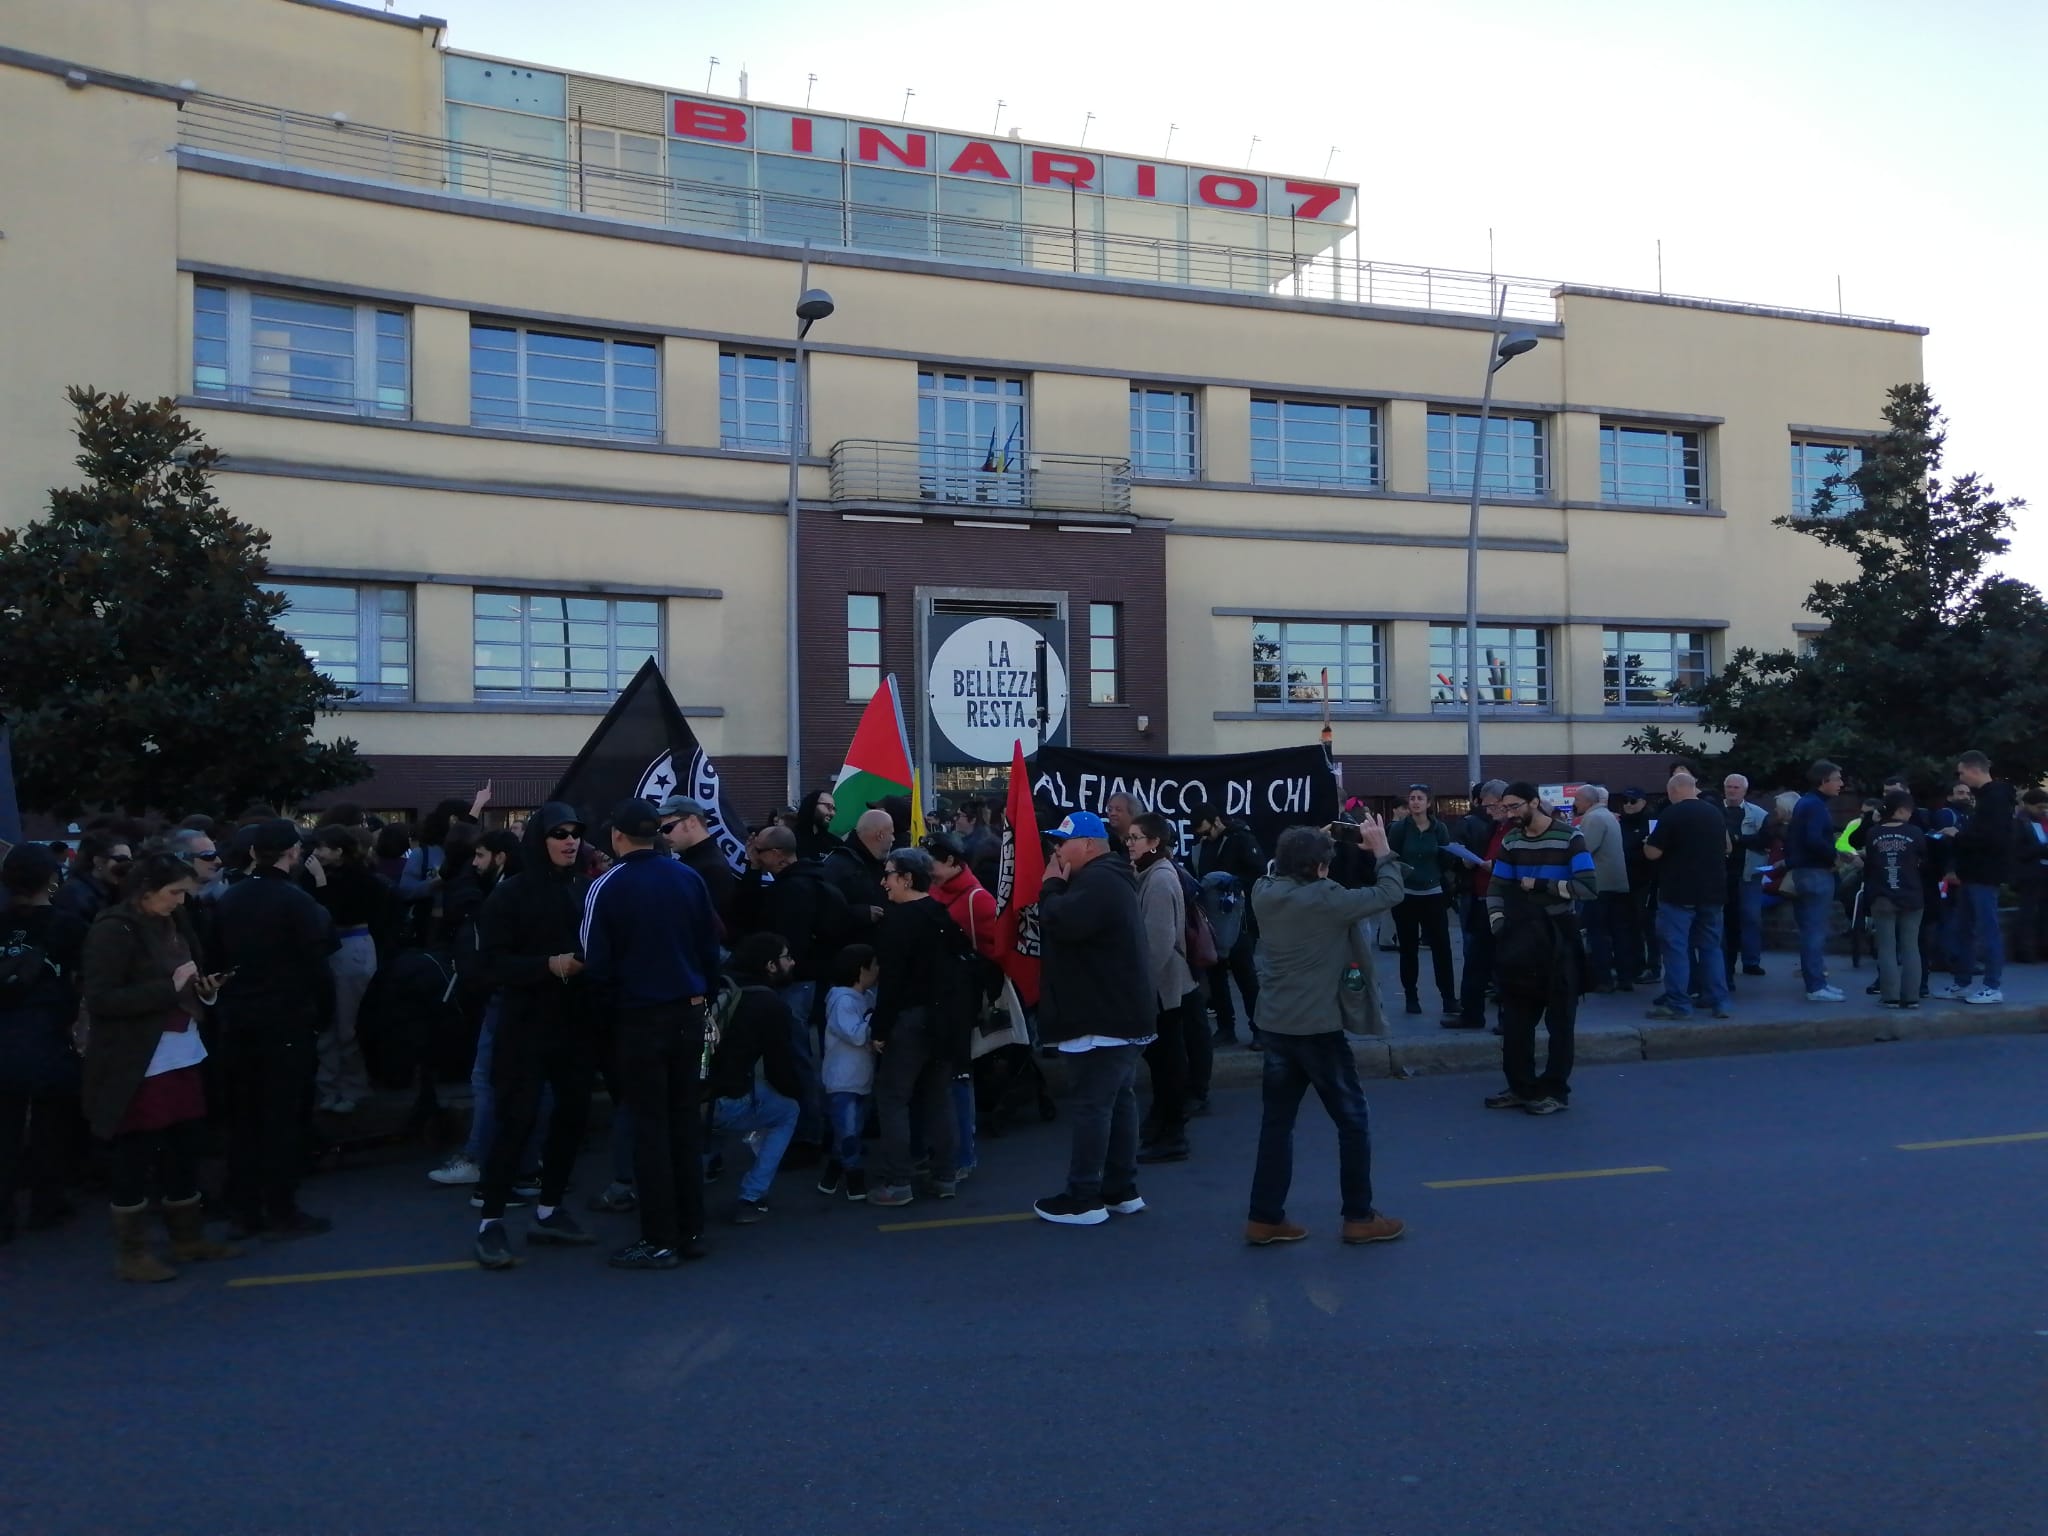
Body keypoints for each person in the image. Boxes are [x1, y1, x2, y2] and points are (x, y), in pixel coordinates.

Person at [1242, 818, 1407, 1247]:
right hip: (1318, 1028)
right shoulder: (1325, 898)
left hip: (1276, 1023)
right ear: (1319, 867)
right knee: (1353, 1122)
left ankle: (1264, 1217)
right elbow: (1390, 893)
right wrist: (1383, 850)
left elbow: (1276, 865)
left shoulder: (1263, 892)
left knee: (1276, 1125)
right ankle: (1359, 1215)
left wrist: (1309, 842)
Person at [81, 852, 243, 1282]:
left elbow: (186, 979)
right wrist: (168, 989)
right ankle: (132, 1254)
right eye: (174, 893)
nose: (180, 901)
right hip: (138, 1061)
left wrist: (204, 991)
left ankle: (187, 1239)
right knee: (135, 1155)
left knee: (182, 1147)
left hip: (180, 1051)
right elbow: (101, 999)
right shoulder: (114, 930)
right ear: (146, 890)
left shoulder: (173, 922)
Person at [580, 799, 724, 1270]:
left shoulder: (607, 885)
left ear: (618, 837)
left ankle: (660, 1238)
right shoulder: (688, 878)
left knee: (649, 1129)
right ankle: (693, 1230)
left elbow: (595, 964)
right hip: (689, 1013)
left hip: (639, 1018)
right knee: (684, 1123)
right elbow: (710, 947)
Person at [469, 803, 598, 1270]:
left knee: (571, 1119)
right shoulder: (510, 896)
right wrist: (547, 966)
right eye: (559, 833)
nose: (570, 841)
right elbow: (488, 966)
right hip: (524, 1025)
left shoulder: (586, 891)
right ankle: (492, 1220)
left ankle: (549, 1209)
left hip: (576, 1025)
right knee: (515, 1122)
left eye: (575, 833)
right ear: (539, 840)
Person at [212, 820, 338, 1240]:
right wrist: (323, 1013)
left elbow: (216, 960)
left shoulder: (229, 899)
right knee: (283, 1118)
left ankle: (244, 1207)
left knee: (245, 1118)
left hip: (238, 1020)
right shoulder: (297, 903)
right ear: (291, 854)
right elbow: (318, 965)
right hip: (285, 1021)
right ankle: (281, 1206)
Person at [1032, 812, 1154, 1227]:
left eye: (1061, 843)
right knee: (1117, 1103)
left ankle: (1084, 1197)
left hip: (1102, 1017)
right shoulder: (1108, 877)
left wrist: (1050, 885)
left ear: (1086, 844)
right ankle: (1121, 1189)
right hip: (1117, 1013)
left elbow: (1061, 920)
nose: (1056, 851)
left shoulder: (1100, 880)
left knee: (1092, 1107)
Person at [1485, 784, 1597, 1115]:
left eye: (1515, 806)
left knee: (1560, 1020)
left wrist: (1545, 886)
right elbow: (1497, 886)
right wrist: (1498, 923)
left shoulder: (1569, 838)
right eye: (1505, 808)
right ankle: (1521, 1086)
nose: (1509, 814)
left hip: (1559, 935)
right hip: (1519, 936)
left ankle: (1555, 1090)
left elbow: (1588, 887)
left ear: (1535, 803)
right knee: (1517, 1018)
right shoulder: (1511, 840)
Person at [866, 847, 967, 1209]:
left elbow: (891, 983)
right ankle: (944, 1175)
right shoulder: (941, 914)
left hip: (908, 1020)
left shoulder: (897, 922)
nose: (884, 882)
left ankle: (898, 1181)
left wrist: (880, 1029)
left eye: (889, 874)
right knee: (938, 1097)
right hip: (942, 1020)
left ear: (907, 878)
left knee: (893, 1098)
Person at [0, 844, 89, 1243]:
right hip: (49, 1028)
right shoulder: (68, 925)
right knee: (51, 1122)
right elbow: (84, 979)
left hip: (4, 1028)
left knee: (4, 1125)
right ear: (51, 879)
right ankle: (46, 1201)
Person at [706, 932, 805, 1224]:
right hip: (726, 1098)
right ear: (771, 965)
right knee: (787, 1112)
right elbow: (781, 1067)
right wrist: (798, 1093)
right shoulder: (768, 1004)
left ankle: (708, 1164)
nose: (792, 962)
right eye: (787, 957)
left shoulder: (717, 983)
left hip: (688, 1091)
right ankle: (752, 1196)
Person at [921, 831, 1003, 1179]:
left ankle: (962, 1155)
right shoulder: (937, 892)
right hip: (940, 998)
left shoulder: (977, 901)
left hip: (961, 1002)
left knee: (957, 1077)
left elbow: (993, 955)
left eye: (933, 864)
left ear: (953, 862)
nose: (929, 871)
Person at [1125, 813, 1196, 1165]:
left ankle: (1173, 1133)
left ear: (1155, 842)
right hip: (1160, 987)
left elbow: (1158, 944)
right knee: (1161, 1060)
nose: (1130, 843)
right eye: (1130, 837)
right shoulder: (1149, 874)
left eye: (1137, 837)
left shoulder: (1160, 880)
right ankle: (1162, 1122)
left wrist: (1139, 989)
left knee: (1168, 1061)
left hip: (1163, 988)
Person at [302, 826, 385, 1115]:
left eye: (323, 848)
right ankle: (329, 1086)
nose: (316, 853)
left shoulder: (360, 879)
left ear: (338, 851)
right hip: (329, 951)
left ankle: (353, 1087)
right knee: (327, 1023)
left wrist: (322, 882)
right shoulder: (310, 876)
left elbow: (341, 913)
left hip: (351, 946)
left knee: (348, 1024)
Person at [1643, 773, 1733, 1020]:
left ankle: (1679, 1004)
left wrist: (1646, 844)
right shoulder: (1714, 813)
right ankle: (1721, 1002)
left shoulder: (1672, 814)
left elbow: (1652, 853)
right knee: (1711, 948)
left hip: (1678, 892)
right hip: (1713, 892)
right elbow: (1728, 847)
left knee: (1676, 950)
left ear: (1673, 791)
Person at [1938, 750, 2013, 1004]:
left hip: (1984, 873)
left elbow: (1993, 838)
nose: (1960, 778)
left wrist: (1957, 836)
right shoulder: (1984, 799)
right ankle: (1962, 982)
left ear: (1973, 769)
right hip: (1971, 873)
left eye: (1961, 772)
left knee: (1986, 929)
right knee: (1964, 930)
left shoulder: (1996, 798)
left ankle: (1992, 986)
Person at [1385, 784, 1460, 1022]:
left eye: (1420, 798)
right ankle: (1411, 996)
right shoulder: (1399, 829)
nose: (1415, 802)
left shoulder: (1439, 828)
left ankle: (1448, 998)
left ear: (1429, 803)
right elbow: (1390, 857)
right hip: (1406, 896)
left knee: (1442, 948)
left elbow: (1445, 858)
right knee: (1408, 949)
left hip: (1433, 893)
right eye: (1412, 798)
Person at [1192, 808, 1264, 1047]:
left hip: (1239, 919)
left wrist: (1233, 884)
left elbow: (1259, 872)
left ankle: (1259, 1029)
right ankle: (1225, 1028)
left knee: (1246, 975)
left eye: (1207, 830)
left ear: (1216, 821)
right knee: (1216, 977)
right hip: (1212, 919)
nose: (1205, 836)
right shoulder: (1203, 845)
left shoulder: (1241, 839)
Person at [819, 943, 878, 1201]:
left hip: (861, 1077)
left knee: (850, 1129)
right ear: (861, 970)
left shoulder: (866, 997)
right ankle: (854, 1178)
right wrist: (874, 1019)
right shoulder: (842, 1000)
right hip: (842, 1080)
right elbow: (855, 1035)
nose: (878, 970)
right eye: (874, 965)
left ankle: (832, 1172)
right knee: (849, 1133)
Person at [1453, 781, 1510, 1029]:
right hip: (1481, 899)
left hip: (1503, 903)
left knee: (1504, 963)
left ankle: (1508, 1019)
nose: (1487, 811)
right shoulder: (1494, 828)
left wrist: (1491, 865)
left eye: (1490, 806)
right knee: (1475, 961)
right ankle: (1471, 1014)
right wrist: (1471, 861)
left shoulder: (1515, 829)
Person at [1788, 761, 1846, 1003]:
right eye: (1837, 778)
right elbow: (1813, 839)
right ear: (1823, 781)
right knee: (1814, 931)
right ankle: (1815, 986)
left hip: (1806, 872)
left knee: (1812, 930)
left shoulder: (1808, 803)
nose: (1841, 783)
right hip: (1815, 873)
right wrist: (1834, 856)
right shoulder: (1814, 806)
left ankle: (1818, 982)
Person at [1864, 791, 1928, 1009]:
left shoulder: (1873, 833)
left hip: (1882, 894)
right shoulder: (1916, 832)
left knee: (1886, 947)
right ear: (1901, 810)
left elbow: (1869, 863)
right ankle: (1911, 996)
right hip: (1911, 894)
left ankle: (1889, 994)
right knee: (1911, 946)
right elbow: (1923, 859)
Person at [1572, 785, 1633, 994]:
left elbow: (1585, 849)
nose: (1575, 804)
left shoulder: (1593, 819)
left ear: (1587, 800)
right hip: (1617, 883)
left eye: (1577, 799)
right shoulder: (1607, 816)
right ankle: (1626, 976)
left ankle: (1603, 979)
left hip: (1599, 884)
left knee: (1597, 933)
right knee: (1620, 932)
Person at [1717, 774, 1772, 980]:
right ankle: (1725, 963)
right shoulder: (1716, 811)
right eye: (1728, 786)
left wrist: (1737, 839)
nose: (1731, 790)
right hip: (1722, 874)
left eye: (1736, 787)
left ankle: (1751, 961)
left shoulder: (1758, 814)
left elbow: (1765, 840)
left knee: (1751, 918)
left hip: (1749, 872)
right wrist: (1746, 840)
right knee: (1724, 920)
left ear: (1744, 790)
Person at [657, 795, 738, 927]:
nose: (664, 836)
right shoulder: (698, 861)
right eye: (661, 831)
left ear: (692, 822)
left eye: (667, 828)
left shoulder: (711, 868)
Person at [823, 809, 894, 938]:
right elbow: (823, 912)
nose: (893, 839)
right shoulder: (838, 866)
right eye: (892, 833)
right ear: (880, 835)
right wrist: (859, 914)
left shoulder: (873, 863)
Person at [1615, 789, 1659, 985]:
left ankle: (1653, 967)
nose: (1628, 804)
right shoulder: (1620, 822)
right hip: (1624, 881)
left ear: (1643, 802)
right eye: (1625, 801)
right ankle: (1635, 965)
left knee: (1647, 925)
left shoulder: (1652, 822)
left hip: (1646, 881)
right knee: (1628, 924)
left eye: (1633, 800)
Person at [53, 831, 132, 927]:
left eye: (129, 861)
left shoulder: (113, 890)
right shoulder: (74, 894)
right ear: (98, 861)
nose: (125, 866)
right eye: (121, 859)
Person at [2013, 790, 2048, 965]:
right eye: (2039, 807)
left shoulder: (2039, 822)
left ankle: (2043, 948)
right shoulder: (2019, 823)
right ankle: (2024, 951)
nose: (2042, 811)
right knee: (2027, 913)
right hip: (2029, 874)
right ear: (2027, 805)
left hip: (2042, 873)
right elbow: (2017, 851)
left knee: (2043, 913)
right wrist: (2042, 849)